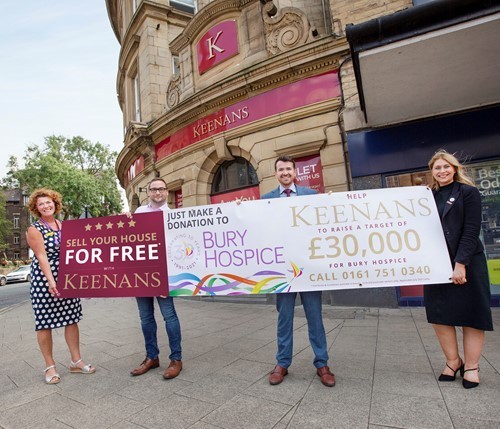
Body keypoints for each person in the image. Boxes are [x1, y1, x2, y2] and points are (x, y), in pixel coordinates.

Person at [261, 155, 335, 387]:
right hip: (282, 271)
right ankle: (282, 363)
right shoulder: (266, 200)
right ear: (276, 174)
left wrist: (333, 204)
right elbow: (258, 229)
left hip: (309, 268)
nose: (285, 173)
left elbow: (324, 225)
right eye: (281, 169)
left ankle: (322, 363)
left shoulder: (311, 196)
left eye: (288, 169)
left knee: (315, 318)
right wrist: (241, 208)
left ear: (295, 172)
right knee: (284, 319)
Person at [425, 150, 493, 389]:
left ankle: (472, 367)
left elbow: (471, 230)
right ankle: (453, 361)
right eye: (437, 168)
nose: (441, 171)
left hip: (467, 262)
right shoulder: (426, 196)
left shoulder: (468, 192)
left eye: (446, 166)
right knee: (440, 316)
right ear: (432, 172)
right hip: (435, 264)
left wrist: (460, 264)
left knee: (471, 316)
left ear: (454, 168)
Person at [27, 188, 95, 384]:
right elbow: (41, 256)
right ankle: (50, 367)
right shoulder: (35, 229)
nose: (46, 206)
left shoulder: (64, 225)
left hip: (67, 277)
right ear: (36, 208)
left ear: (55, 204)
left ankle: (76, 361)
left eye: (48, 202)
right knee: (44, 322)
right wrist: (51, 281)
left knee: (71, 319)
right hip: (44, 279)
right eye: (41, 204)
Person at [130, 178, 183, 379]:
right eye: (154, 189)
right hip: (141, 273)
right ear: (149, 192)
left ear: (167, 192)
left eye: (161, 189)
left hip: (164, 273)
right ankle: (152, 357)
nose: (157, 192)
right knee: (145, 317)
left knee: (169, 316)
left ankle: (176, 359)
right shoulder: (139, 213)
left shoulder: (174, 216)